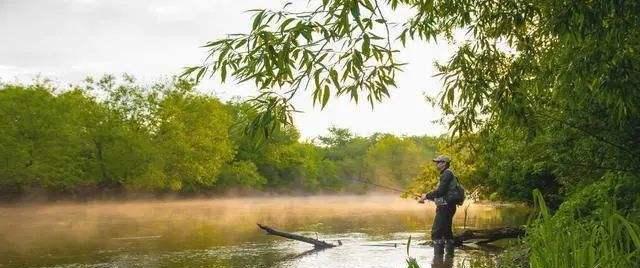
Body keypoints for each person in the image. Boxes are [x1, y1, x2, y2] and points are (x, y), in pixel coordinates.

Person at [419, 155, 457, 258]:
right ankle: (449, 260)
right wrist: (427, 197)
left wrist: (426, 196)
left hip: (445, 207)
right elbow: (443, 193)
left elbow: (440, 192)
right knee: (447, 232)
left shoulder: (447, 174)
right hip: (448, 206)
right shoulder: (448, 174)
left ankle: (438, 261)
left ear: (444, 163)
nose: (436, 164)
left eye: (438, 162)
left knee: (436, 233)